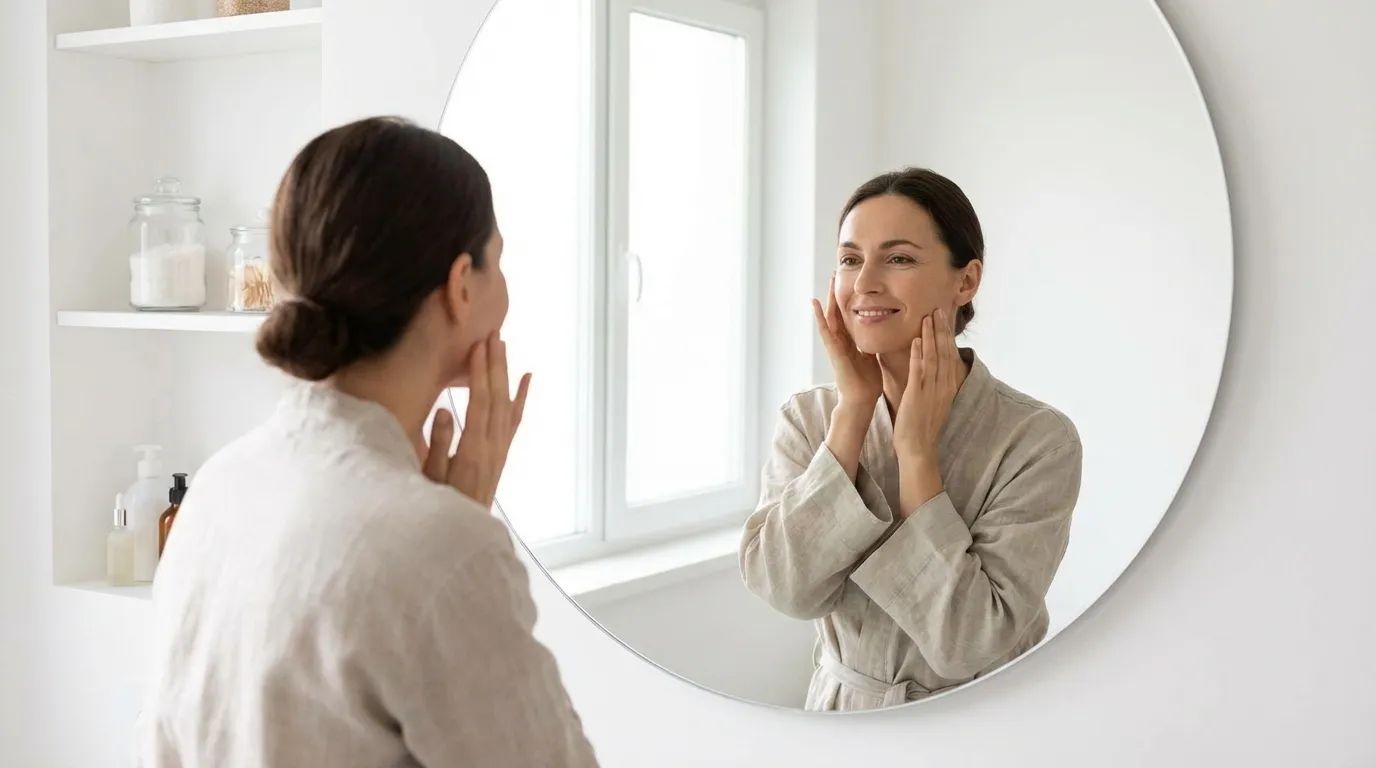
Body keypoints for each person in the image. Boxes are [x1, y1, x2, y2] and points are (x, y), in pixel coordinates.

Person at [133, 116, 599, 766]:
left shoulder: (218, 488)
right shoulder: (441, 547)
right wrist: (457, 527)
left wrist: (448, 521)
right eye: (499, 260)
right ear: (461, 286)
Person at [739, 167, 1083, 712]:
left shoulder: (1037, 440)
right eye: (850, 259)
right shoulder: (809, 418)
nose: (864, 283)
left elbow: (967, 643)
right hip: (840, 722)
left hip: (980, 726)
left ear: (966, 281)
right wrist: (854, 411)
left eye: (898, 258)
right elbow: (784, 588)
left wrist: (917, 455)